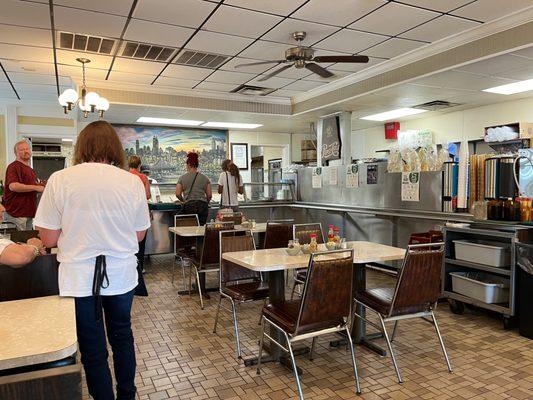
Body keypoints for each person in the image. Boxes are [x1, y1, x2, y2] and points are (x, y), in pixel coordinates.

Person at [34, 120, 151, 400]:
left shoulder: (60, 180)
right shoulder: (131, 182)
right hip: (121, 274)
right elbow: (138, 235)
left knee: (92, 348)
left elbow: (48, 239)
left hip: (78, 276)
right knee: (122, 336)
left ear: (81, 147)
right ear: (115, 148)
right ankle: (127, 395)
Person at [3, 139, 45, 230]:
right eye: (22, 150)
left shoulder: (30, 169)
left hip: (28, 214)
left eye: (27, 149)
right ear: (16, 153)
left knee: (27, 242)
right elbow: (13, 186)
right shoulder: (13, 167)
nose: (26, 151)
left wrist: (42, 185)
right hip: (17, 215)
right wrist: (35, 188)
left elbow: (33, 186)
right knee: (17, 243)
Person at [128, 155, 150, 294]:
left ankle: (130, 265)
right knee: (140, 241)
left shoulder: (122, 176)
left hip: (126, 214)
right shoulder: (142, 178)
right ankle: (139, 267)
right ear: (139, 165)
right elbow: (147, 195)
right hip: (139, 213)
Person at [175, 152, 212, 225]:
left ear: (188, 165)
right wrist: (205, 202)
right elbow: (209, 195)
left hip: (189, 206)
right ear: (197, 165)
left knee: (189, 228)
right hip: (203, 206)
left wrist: (183, 201)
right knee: (201, 229)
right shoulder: (205, 178)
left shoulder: (182, 178)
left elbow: (178, 193)